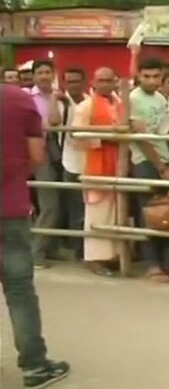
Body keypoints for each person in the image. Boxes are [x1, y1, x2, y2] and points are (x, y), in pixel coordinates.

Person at [0, 82, 71, 389]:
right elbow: (37, 156)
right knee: (19, 291)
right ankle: (35, 366)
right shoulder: (18, 100)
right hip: (9, 209)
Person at [72, 67, 125, 276]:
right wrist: (106, 137)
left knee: (117, 211)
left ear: (115, 81)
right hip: (97, 163)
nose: (104, 84)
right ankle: (93, 258)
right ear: (94, 82)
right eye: (100, 80)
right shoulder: (86, 106)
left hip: (118, 163)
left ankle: (113, 255)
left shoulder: (121, 103)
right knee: (97, 212)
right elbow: (76, 135)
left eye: (108, 80)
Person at [129, 56, 169, 283]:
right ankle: (152, 264)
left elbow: (163, 132)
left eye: (156, 76)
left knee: (164, 213)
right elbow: (141, 138)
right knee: (148, 213)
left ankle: (165, 261)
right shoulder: (133, 99)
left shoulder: (160, 98)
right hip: (145, 162)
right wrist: (159, 165)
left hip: (164, 160)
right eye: (146, 76)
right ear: (138, 76)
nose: (152, 80)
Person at [29, 60, 63, 268]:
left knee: (58, 200)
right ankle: (36, 252)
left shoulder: (61, 97)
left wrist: (53, 98)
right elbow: (49, 124)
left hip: (58, 150)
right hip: (36, 150)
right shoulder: (26, 97)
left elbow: (56, 121)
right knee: (48, 202)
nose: (43, 76)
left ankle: (50, 247)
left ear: (53, 74)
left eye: (47, 72)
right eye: (40, 72)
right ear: (34, 76)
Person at [58, 68, 90, 260]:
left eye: (77, 81)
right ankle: (78, 250)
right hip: (69, 161)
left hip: (91, 161)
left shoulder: (91, 102)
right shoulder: (62, 104)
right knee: (75, 209)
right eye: (69, 82)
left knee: (89, 208)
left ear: (84, 82)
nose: (73, 85)